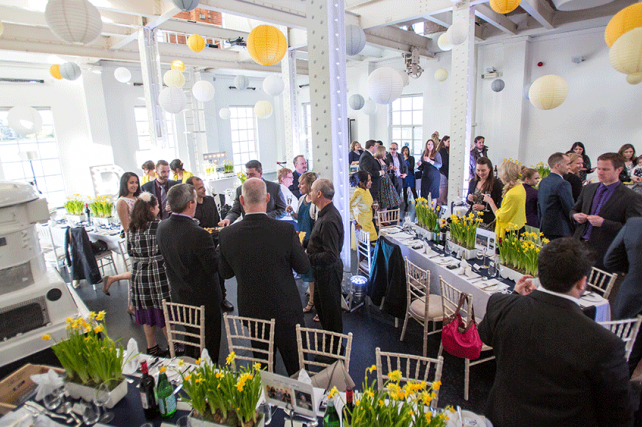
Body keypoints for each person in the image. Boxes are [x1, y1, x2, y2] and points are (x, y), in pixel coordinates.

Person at [478, 237, 632, 427]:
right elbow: (617, 415)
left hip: (502, 417)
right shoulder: (604, 343)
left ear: (539, 273)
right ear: (582, 282)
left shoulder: (501, 304)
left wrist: (516, 296)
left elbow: (485, 336)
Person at [218, 178, 310, 376]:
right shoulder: (285, 231)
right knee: (298, 367)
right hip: (286, 310)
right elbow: (303, 267)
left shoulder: (227, 235)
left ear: (241, 201)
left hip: (253, 311)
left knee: (264, 369)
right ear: (268, 198)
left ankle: (268, 404)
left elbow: (225, 273)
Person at [157, 184, 222, 361]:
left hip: (180, 295)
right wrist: (219, 249)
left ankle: (191, 373)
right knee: (209, 344)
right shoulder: (198, 234)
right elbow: (212, 267)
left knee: (191, 338)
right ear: (191, 204)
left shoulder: (162, 227)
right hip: (204, 299)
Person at [571, 152, 642, 270]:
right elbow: (574, 209)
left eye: (605, 169)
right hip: (579, 246)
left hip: (604, 250)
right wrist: (575, 216)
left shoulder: (631, 197)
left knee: (596, 286)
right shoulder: (588, 189)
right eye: (598, 168)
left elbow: (632, 230)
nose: (600, 172)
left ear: (619, 170)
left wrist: (604, 223)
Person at [127, 193, 171, 357]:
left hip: (139, 274)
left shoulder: (131, 228)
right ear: (151, 208)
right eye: (157, 206)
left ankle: (152, 347)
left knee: (147, 312)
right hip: (158, 272)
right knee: (165, 311)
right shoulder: (159, 225)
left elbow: (129, 251)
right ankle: (172, 346)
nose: (159, 209)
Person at [185, 176, 234, 313]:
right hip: (198, 244)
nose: (203, 189)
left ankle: (222, 298)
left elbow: (216, 220)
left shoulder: (210, 200)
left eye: (203, 186)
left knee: (219, 272)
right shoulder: (190, 206)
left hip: (214, 241)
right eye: (199, 187)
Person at [306, 179, 344, 334]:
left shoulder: (329, 219)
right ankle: (329, 344)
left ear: (319, 194)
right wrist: (304, 243)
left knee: (331, 315)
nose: (310, 193)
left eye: (312, 190)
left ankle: (334, 351)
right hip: (322, 273)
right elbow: (319, 241)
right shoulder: (324, 214)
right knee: (322, 310)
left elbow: (331, 255)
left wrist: (306, 258)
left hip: (328, 273)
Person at [605, 217, 642, 374]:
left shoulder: (634, 224)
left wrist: (634, 272)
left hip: (632, 296)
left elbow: (610, 260)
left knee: (624, 351)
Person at [286, 172, 319, 318]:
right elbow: (299, 217)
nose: (298, 186)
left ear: (310, 185)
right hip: (303, 240)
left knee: (316, 275)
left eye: (302, 183)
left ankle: (318, 306)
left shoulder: (315, 203)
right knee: (309, 274)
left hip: (313, 242)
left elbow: (317, 225)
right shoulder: (301, 199)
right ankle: (312, 301)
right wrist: (292, 212)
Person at [102, 173, 139, 297]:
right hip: (135, 239)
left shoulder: (136, 198)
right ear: (125, 184)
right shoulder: (122, 202)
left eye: (136, 182)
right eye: (131, 182)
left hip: (142, 235)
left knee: (139, 271)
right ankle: (113, 280)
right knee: (137, 271)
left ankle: (132, 304)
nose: (134, 185)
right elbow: (127, 227)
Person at [218, 160, 286, 226]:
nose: (248, 177)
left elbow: (283, 209)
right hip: (248, 227)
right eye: (247, 174)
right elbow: (235, 211)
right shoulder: (240, 190)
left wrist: (264, 216)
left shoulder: (274, 187)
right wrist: (228, 219)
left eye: (252, 174)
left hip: (270, 226)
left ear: (261, 173)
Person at [484, 160, 526, 239]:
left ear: (505, 176)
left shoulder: (512, 194)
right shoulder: (520, 187)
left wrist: (490, 201)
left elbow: (501, 216)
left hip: (510, 231)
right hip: (517, 226)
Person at [537, 153, 575, 240]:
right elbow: (569, 208)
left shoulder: (543, 181)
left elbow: (539, 205)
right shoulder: (563, 183)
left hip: (545, 227)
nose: (569, 167)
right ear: (557, 165)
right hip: (561, 230)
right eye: (567, 164)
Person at [467, 157, 503, 228]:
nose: (480, 173)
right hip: (472, 219)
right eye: (478, 170)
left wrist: (484, 207)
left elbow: (499, 205)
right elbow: (468, 202)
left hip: (487, 221)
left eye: (483, 170)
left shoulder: (496, 184)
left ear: (489, 169)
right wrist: (469, 198)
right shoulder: (473, 182)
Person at [350, 171, 377, 243]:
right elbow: (349, 207)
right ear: (361, 182)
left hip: (369, 222)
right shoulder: (358, 192)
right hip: (362, 225)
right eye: (369, 180)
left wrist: (372, 206)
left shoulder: (366, 190)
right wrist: (355, 223)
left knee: (374, 244)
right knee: (368, 245)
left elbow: (366, 202)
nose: (371, 182)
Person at [437, 135, 450, 206]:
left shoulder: (443, 150)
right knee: (443, 192)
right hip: (443, 173)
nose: (449, 143)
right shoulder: (443, 151)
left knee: (442, 190)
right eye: (448, 141)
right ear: (444, 141)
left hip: (442, 172)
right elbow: (445, 163)